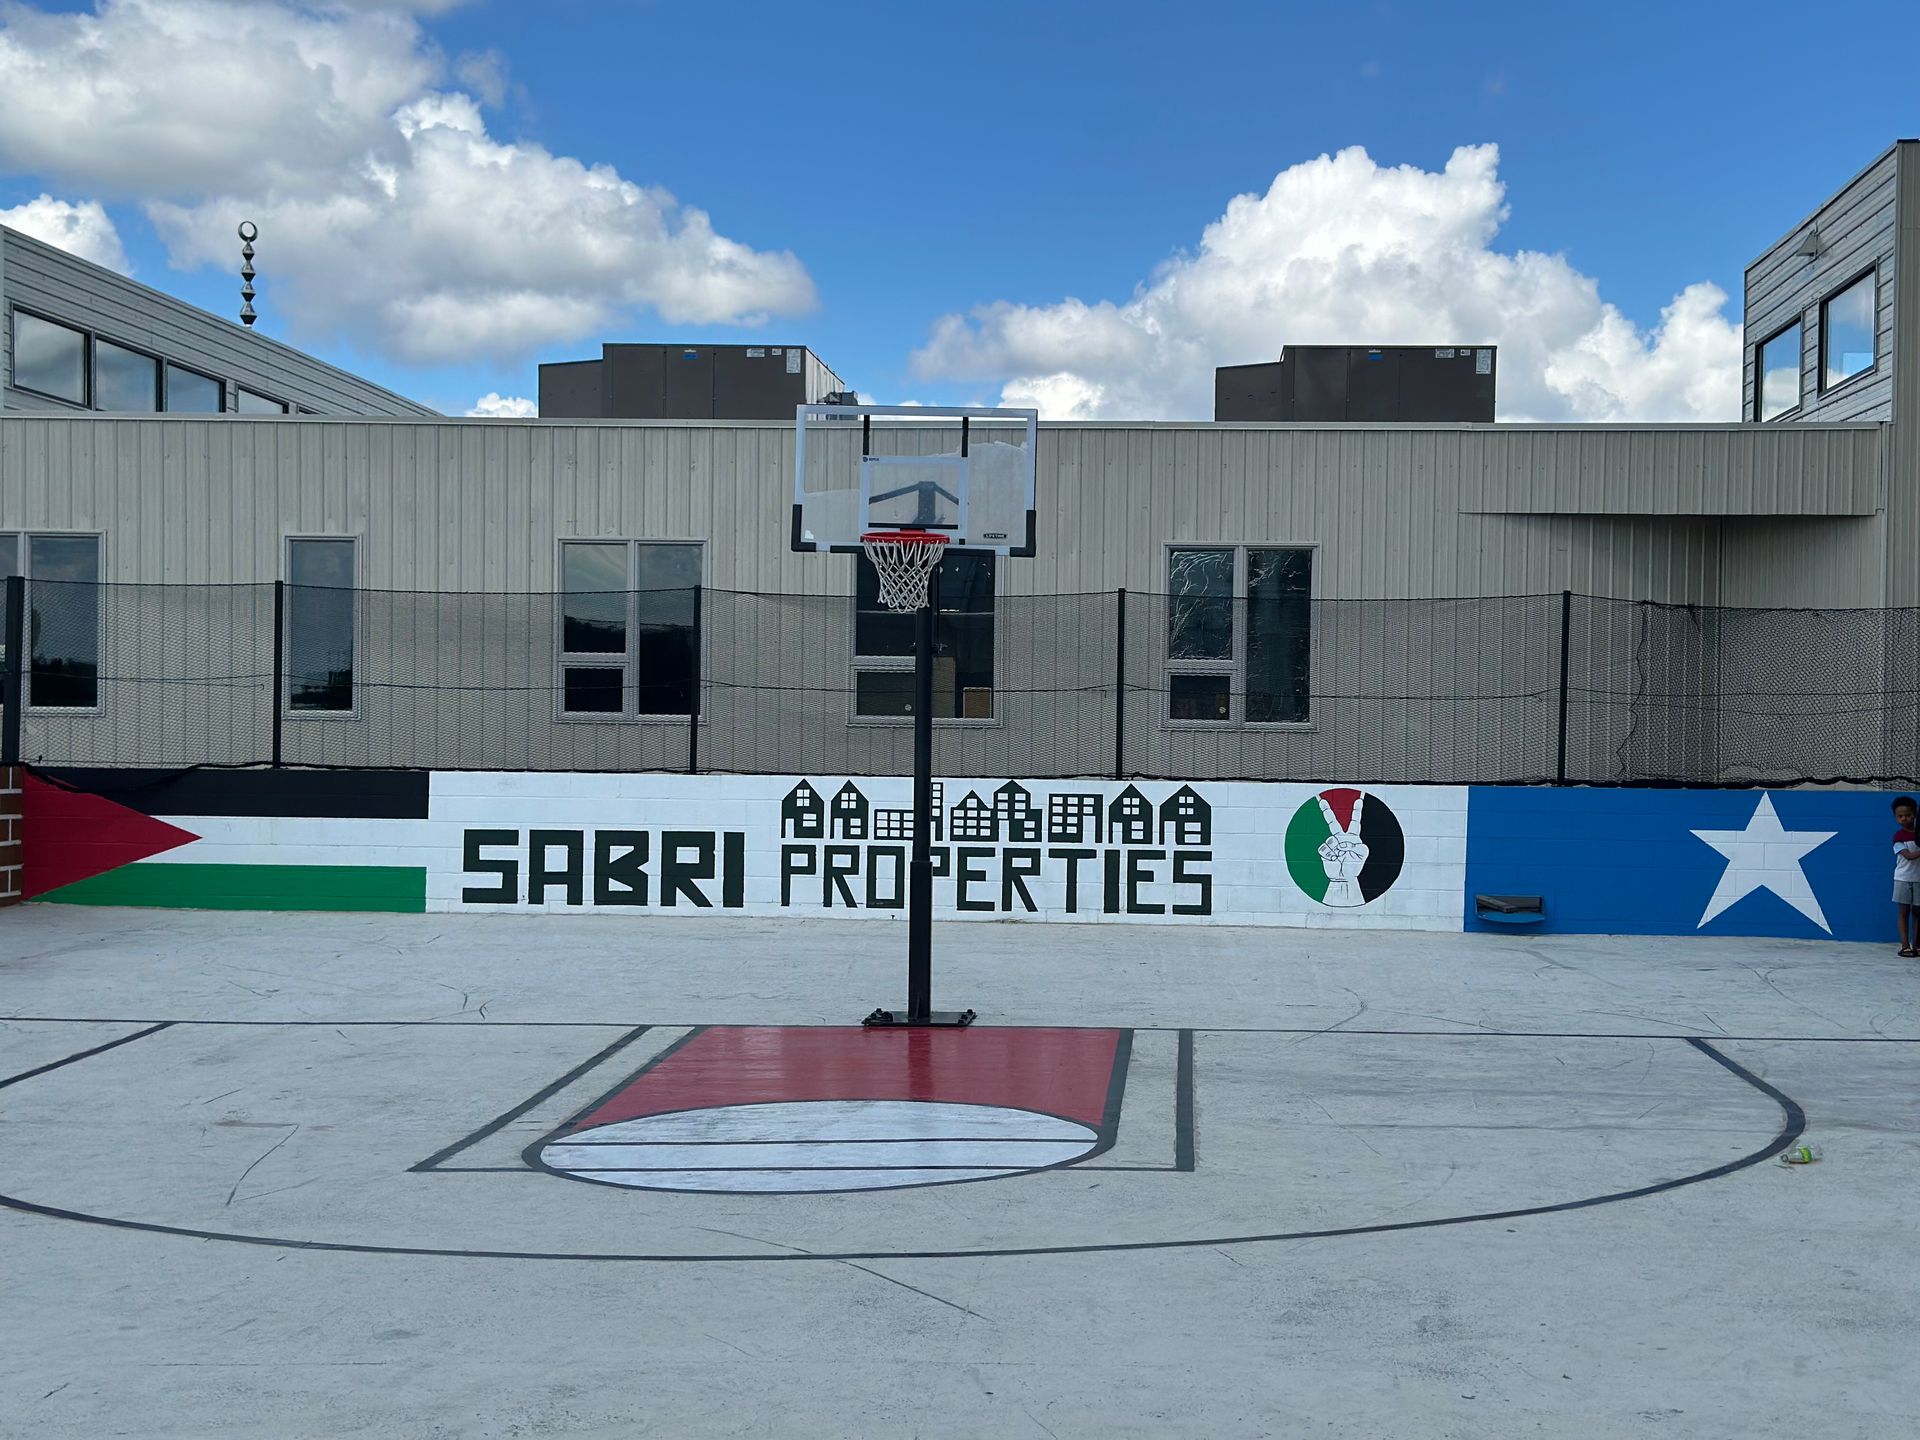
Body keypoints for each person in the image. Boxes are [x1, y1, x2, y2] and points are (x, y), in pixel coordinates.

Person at [1893, 796, 1920, 957]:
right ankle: (1905, 946)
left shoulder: (1919, 834)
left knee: (1918, 913)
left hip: (1919, 880)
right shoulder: (1898, 836)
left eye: (1908, 815)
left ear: (1915, 814)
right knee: (1904, 911)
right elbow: (1909, 856)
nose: (1904, 818)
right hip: (1903, 879)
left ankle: (1917, 945)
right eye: (1900, 816)